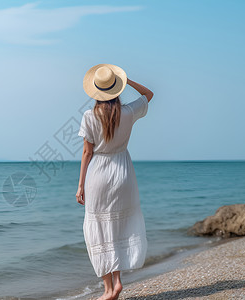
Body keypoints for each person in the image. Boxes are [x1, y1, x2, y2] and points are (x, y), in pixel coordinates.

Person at [76, 64, 153, 300]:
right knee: (116, 227)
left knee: (99, 230)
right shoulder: (128, 113)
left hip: (99, 174)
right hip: (123, 172)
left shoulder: (89, 116)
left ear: (96, 92)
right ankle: (117, 283)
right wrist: (127, 81)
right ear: (116, 89)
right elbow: (149, 95)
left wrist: (80, 185)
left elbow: (87, 153)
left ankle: (108, 289)